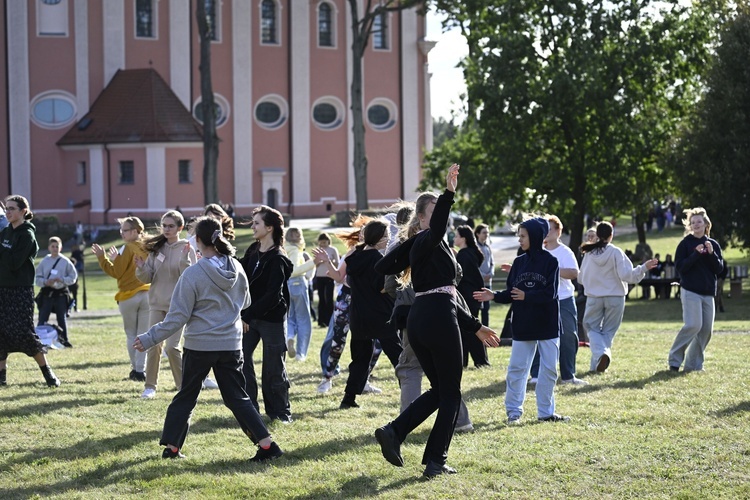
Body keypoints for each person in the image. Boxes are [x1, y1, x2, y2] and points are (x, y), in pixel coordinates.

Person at [373, 164, 500, 479]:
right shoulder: (429, 239)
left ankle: (394, 432)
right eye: (438, 213)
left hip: (422, 318)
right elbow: (393, 267)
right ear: (425, 217)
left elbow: (385, 266)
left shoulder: (424, 243)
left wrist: (475, 327)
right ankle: (435, 461)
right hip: (437, 318)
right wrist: (448, 193)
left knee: (442, 390)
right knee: (452, 393)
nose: (446, 219)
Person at [133, 217, 283, 461]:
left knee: (186, 396)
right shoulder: (236, 267)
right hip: (231, 345)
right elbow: (245, 303)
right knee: (237, 397)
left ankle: (172, 448)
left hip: (200, 346)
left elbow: (177, 317)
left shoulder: (193, 274)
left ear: (198, 241)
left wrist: (150, 337)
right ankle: (267, 446)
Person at [475, 217, 570, 425]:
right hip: (523, 325)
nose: (520, 239)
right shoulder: (519, 262)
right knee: (517, 369)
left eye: (523, 235)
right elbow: (511, 293)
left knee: (549, 370)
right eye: (519, 235)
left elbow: (551, 293)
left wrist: (528, 296)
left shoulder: (551, 262)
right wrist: (495, 295)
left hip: (547, 324)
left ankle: (546, 412)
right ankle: (513, 412)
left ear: (535, 236)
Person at [339, 219, 402, 409]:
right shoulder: (378, 260)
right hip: (381, 314)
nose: (389, 238)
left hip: (359, 315)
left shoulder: (354, 257)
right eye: (386, 235)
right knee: (397, 356)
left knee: (360, 358)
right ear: (378, 238)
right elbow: (383, 288)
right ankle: (409, 390)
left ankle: (348, 399)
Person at [578, 221, 657, 373]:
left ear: (597, 235)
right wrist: (643, 268)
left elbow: (581, 279)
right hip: (615, 297)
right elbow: (628, 275)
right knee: (608, 331)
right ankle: (601, 357)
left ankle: (599, 359)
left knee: (591, 328)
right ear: (611, 235)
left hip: (594, 297)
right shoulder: (615, 252)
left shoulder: (589, 253)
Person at [239, 205, 293, 423]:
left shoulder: (278, 258)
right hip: (249, 319)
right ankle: (249, 409)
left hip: (270, 319)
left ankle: (280, 412)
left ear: (269, 228)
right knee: (241, 361)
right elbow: (238, 273)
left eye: (257, 223)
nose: (253, 227)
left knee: (273, 369)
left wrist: (247, 315)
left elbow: (273, 296)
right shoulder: (253, 250)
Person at [134, 210, 197, 399]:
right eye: (164, 225)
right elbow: (148, 277)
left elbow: (190, 277)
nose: (167, 229)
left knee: (172, 347)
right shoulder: (157, 249)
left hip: (178, 306)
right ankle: (150, 386)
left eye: (171, 226)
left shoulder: (187, 248)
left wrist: (185, 260)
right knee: (153, 344)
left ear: (180, 228)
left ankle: (182, 387)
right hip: (156, 304)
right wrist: (141, 268)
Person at [0, 195, 61, 387]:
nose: (8, 212)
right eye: (6, 208)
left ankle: (48, 373)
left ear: (23, 211)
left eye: (12, 208)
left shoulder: (27, 235)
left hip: (19, 290)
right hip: (2, 288)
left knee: (24, 332)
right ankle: (1, 377)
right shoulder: (6, 232)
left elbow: (13, 263)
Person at [529, 215, 586, 386]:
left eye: (550, 229)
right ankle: (536, 375)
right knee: (539, 336)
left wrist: (552, 269)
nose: (546, 232)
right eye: (544, 229)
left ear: (559, 231)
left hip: (564, 299)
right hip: (541, 300)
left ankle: (568, 375)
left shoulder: (564, 251)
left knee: (568, 336)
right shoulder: (537, 251)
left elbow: (574, 273)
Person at [92, 216, 150, 382]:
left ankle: (136, 371)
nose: (122, 233)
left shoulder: (128, 247)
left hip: (129, 296)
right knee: (143, 335)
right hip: (147, 294)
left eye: (124, 230)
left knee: (131, 335)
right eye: (121, 230)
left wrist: (103, 258)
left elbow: (116, 272)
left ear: (134, 231)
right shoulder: (148, 246)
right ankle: (141, 370)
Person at [668, 208, 723, 372]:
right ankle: (674, 360)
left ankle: (693, 365)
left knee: (706, 330)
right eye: (693, 222)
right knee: (693, 325)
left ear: (706, 224)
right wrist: (695, 254)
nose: (696, 224)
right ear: (689, 226)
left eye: (699, 221)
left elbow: (719, 269)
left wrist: (711, 254)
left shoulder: (713, 244)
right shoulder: (685, 244)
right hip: (690, 290)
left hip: (708, 293)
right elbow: (680, 268)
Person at [454, 225, 490, 367]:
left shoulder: (464, 255)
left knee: (471, 330)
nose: (454, 238)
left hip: (468, 297)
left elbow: (460, 277)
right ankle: (466, 361)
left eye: (456, 236)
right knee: (467, 330)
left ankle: (481, 361)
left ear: (463, 239)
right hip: (472, 296)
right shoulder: (468, 253)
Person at [35, 236, 77, 347]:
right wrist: (45, 282)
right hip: (47, 293)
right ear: (49, 247)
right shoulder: (44, 261)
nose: (55, 248)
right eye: (53, 246)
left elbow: (73, 277)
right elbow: (37, 279)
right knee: (43, 317)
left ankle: (64, 340)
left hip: (60, 293)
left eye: (57, 246)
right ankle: (38, 340)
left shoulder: (65, 262)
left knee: (61, 318)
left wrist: (62, 280)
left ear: (61, 247)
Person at [283, 227, 315, 361]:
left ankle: (289, 337)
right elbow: (295, 270)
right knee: (304, 320)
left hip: (287, 285)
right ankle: (301, 353)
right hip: (298, 283)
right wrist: (314, 262)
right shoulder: (295, 251)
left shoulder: (285, 250)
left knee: (290, 317)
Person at [313, 233, 339, 328]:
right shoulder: (318, 251)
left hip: (329, 276)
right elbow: (314, 264)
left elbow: (337, 263)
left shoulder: (332, 250)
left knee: (329, 298)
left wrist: (328, 261)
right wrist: (319, 261)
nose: (323, 244)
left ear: (328, 241)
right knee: (321, 299)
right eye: (321, 243)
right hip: (320, 276)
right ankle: (321, 321)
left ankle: (330, 320)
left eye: (324, 242)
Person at [474, 224, 494, 326]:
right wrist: (482, 275)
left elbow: (492, 263)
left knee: (486, 310)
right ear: (477, 234)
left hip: (488, 283)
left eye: (487, 232)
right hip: (479, 283)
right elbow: (474, 266)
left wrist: (490, 273)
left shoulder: (488, 247)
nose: (486, 234)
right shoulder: (475, 248)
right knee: (477, 309)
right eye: (484, 232)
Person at [69, 243, 85, 313]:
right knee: (75, 297)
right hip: (74, 285)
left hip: (69, 285)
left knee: (68, 297)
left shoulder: (68, 269)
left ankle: (69, 309)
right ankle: (75, 308)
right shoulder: (74, 270)